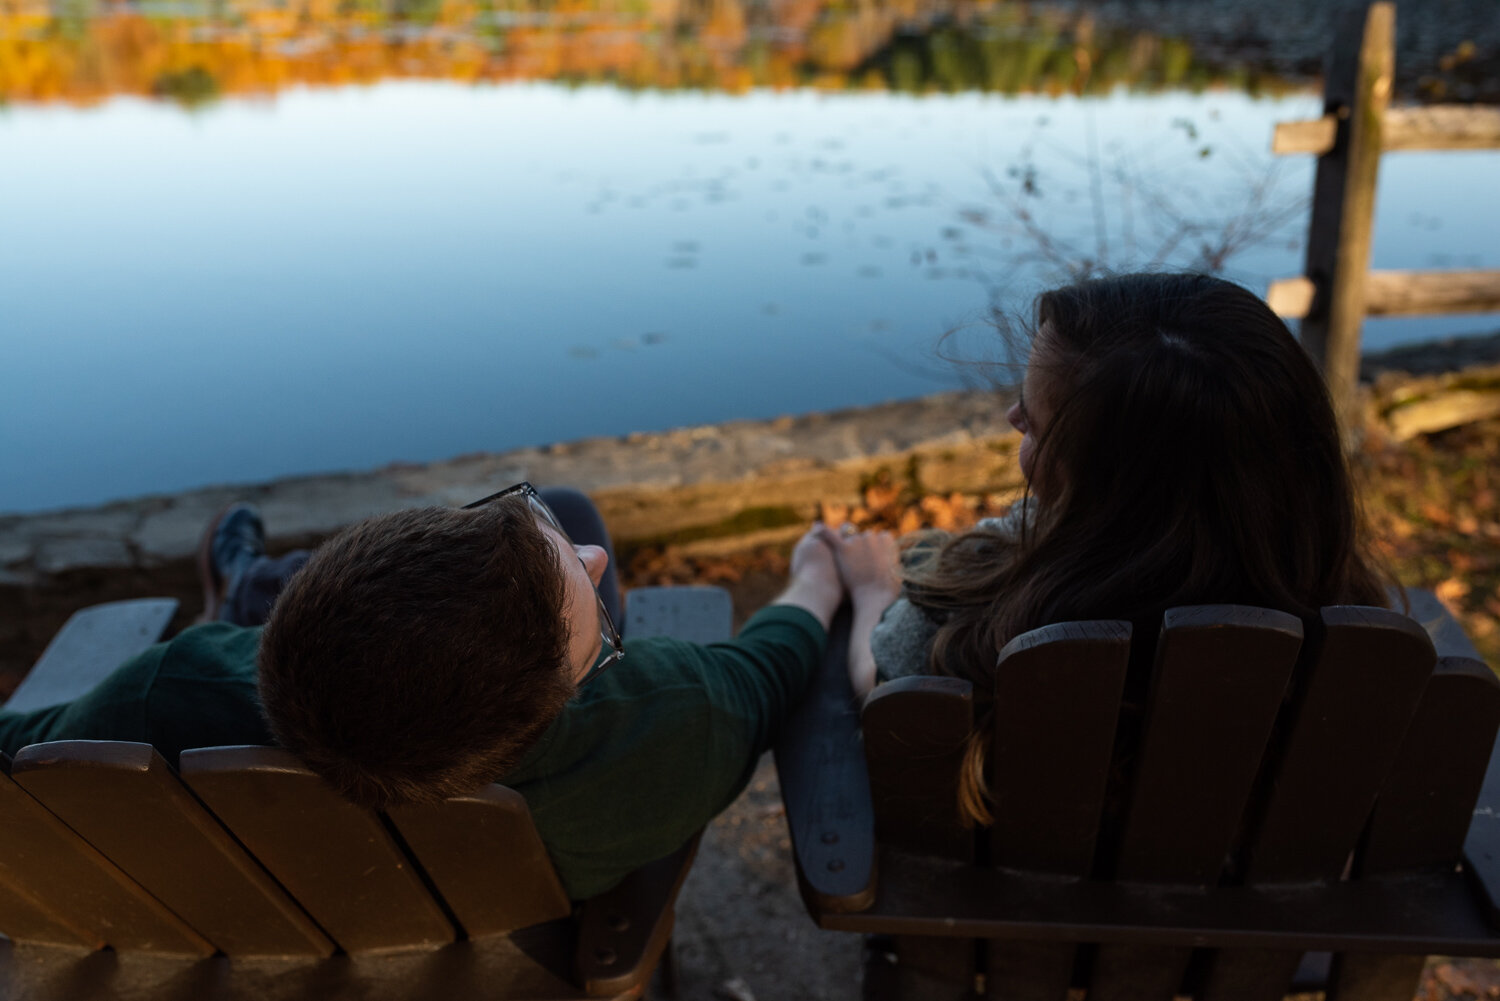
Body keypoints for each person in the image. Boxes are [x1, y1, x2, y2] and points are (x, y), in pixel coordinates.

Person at [0, 485, 896, 900]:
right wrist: (818, 582)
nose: (598, 562)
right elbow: (766, 668)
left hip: (256, 890)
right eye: (591, 609)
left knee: (569, 507)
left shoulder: (169, 692)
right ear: (567, 689)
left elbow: (21, 761)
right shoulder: (668, 728)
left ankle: (248, 590)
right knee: (578, 508)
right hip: (472, 916)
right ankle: (247, 583)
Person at [822, 272, 1390, 826]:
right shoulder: (1349, 647)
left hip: (1018, 912)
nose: (1012, 416)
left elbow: (881, 692)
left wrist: (873, 589)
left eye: (1035, 423)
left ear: (1102, 489)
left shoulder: (973, 632)